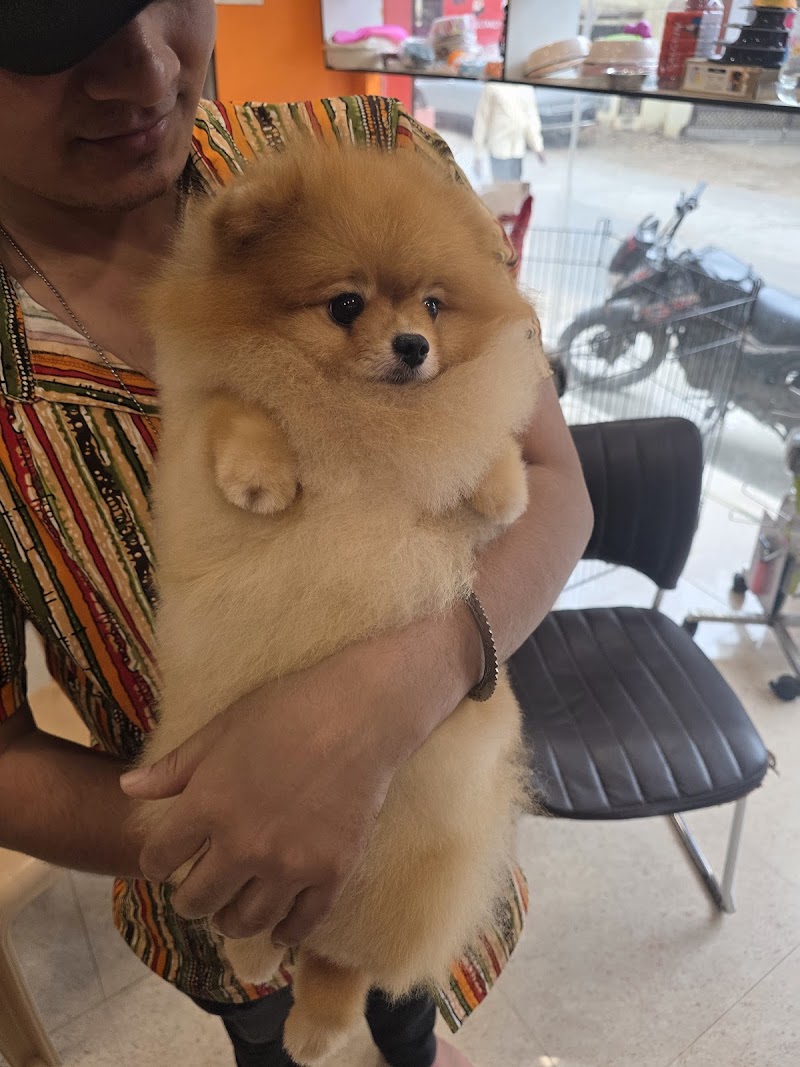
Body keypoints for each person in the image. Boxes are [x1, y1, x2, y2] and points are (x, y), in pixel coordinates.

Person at [0, 3, 593, 1066]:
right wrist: (223, 819)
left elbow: (553, 485)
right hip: (207, 897)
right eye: (48, 35)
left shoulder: (378, 155)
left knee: (409, 1002)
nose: (145, 72)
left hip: (437, 823)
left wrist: (390, 699)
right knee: (272, 1036)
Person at [473, 82, 547, 183]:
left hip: (517, 151)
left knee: (515, 187)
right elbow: (482, 120)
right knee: (501, 188)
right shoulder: (493, 86)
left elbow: (531, 119)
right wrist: (478, 153)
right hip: (499, 151)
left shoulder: (527, 89)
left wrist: (538, 147)